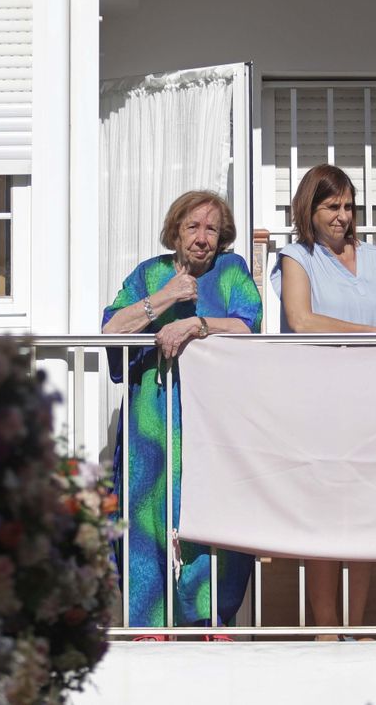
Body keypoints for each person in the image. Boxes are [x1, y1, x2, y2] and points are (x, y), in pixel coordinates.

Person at [101, 190, 262, 632]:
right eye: (192, 227)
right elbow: (111, 329)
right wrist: (166, 298)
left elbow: (250, 321)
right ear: (175, 232)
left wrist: (197, 323)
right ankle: (150, 626)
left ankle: (208, 620)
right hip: (152, 425)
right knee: (147, 517)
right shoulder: (150, 273)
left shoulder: (231, 271)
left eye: (212, 229)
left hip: (210, 423)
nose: (202, 237)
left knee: (210, 515)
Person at [270, 164, 376, 639]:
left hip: (372, 400)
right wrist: (373, 334)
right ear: (310, 209)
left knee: (363, 513)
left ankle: (357, 625)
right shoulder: (295, 256)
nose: (342, 216)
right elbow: (301, 321)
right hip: (318, 399)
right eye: (331, 206)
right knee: (325, 512)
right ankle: (326, 629)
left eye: (348, 206)